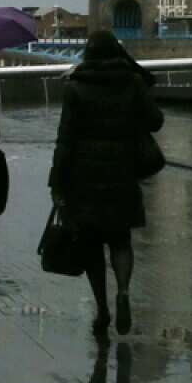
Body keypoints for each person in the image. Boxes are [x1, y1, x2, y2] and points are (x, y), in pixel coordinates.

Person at [50, 31, 163, 336]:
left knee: (90, 244)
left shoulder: (75, 88)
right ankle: (123, 291)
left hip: (83, 177)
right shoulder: (132, 83)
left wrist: (56, 182)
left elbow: (65, 140)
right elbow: (156, 121)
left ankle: (101, 310)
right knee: (120, 239)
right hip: (123, 171)